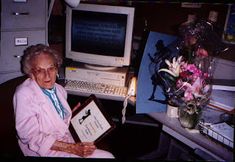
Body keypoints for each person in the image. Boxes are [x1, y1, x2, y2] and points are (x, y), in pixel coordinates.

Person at [13, 44, 114, 158]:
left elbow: (57, 122)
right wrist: (73, 148)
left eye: (51, 68)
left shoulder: (59, 90)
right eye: (39, 70)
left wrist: (72, 115)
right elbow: (30, 136)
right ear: (31, 73)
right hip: (42, 150)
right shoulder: (24, 94)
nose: (47, 75)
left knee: (106, 155)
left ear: (56, 68)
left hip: (65, 140)